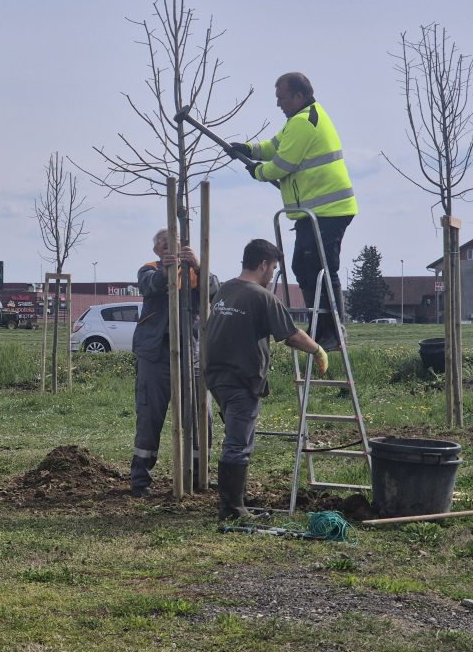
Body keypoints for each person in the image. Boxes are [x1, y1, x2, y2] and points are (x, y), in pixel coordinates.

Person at [205, 238, 329, 520]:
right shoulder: (261, 296)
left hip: (217, 377)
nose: (273, 274)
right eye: (272, 268)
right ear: (263, 265)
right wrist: (318, 350)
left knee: (238, 437)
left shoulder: (226, 289)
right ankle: (232, 509)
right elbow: (291, 335)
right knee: (238, 442)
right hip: (241, 378)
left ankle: (236, 499)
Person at [232, 72, 357, 350]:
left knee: (323, 268)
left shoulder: (305, 122)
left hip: (329, 210)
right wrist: (249, 149)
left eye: (282, 97)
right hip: (313, 211)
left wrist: (258, 171)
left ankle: (334, 332)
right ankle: (320, 327)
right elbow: (273, 148)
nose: (279, 104)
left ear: (299, 96)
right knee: (303, 266)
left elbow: (282, 164)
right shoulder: (297, 121)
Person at [130, 228, 218, 498]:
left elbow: (214, 290)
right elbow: (150, 284)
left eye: (177, 245)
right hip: (155, 355)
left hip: (191, 352)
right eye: (166, 247)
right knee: (149, 417)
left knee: (200, 415)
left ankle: (196, 473)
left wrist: (198, 265)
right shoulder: (150, 269)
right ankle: (140, 479)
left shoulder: (195, 271)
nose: (172, 251)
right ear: (158, 250)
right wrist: (167, 270)